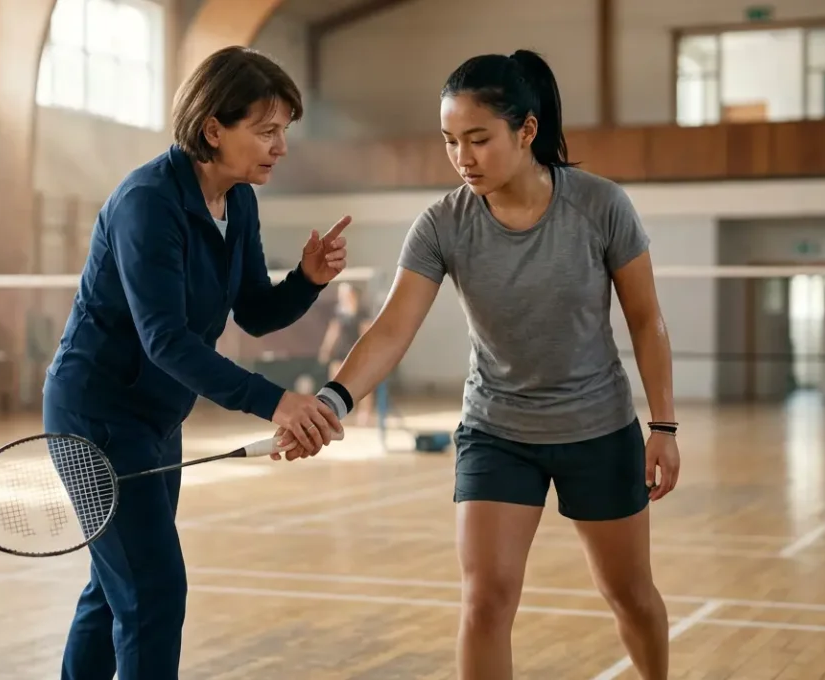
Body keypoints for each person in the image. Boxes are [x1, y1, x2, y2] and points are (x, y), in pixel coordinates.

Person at [277, 50, 680, 679]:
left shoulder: (600, 206)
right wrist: (333, 400)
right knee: (485, 602)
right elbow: (391, 330)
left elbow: (647, 321)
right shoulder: (442, 224)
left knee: (629, 595)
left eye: (478, 139)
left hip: (597, 431)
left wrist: (664, 425)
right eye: (449, 141)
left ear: (527, 131)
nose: (463, 157)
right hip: (497, 432)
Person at [41, 46, 349, 680]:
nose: (280, 147)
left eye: (283, 131)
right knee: (152, 592)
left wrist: (307, 281)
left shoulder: (237, 201)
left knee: (115, 589)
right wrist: (276, 400)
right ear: (214, 128)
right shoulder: (147, 202)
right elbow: (165, 340)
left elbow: (255, 311)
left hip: (155, 420)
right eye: (266, 130)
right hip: (96, 416)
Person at [317, 282, 374, 424]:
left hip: (356, 350)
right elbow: (333, 331)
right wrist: (326, 348)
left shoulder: (362, 311)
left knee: (363, 382)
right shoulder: (338, 311)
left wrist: (367, 352)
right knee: (334, 382)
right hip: (340, 350)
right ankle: (335, 411)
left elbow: (366, 332)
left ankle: (364, 413)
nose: (341, 296)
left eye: (344, 293)